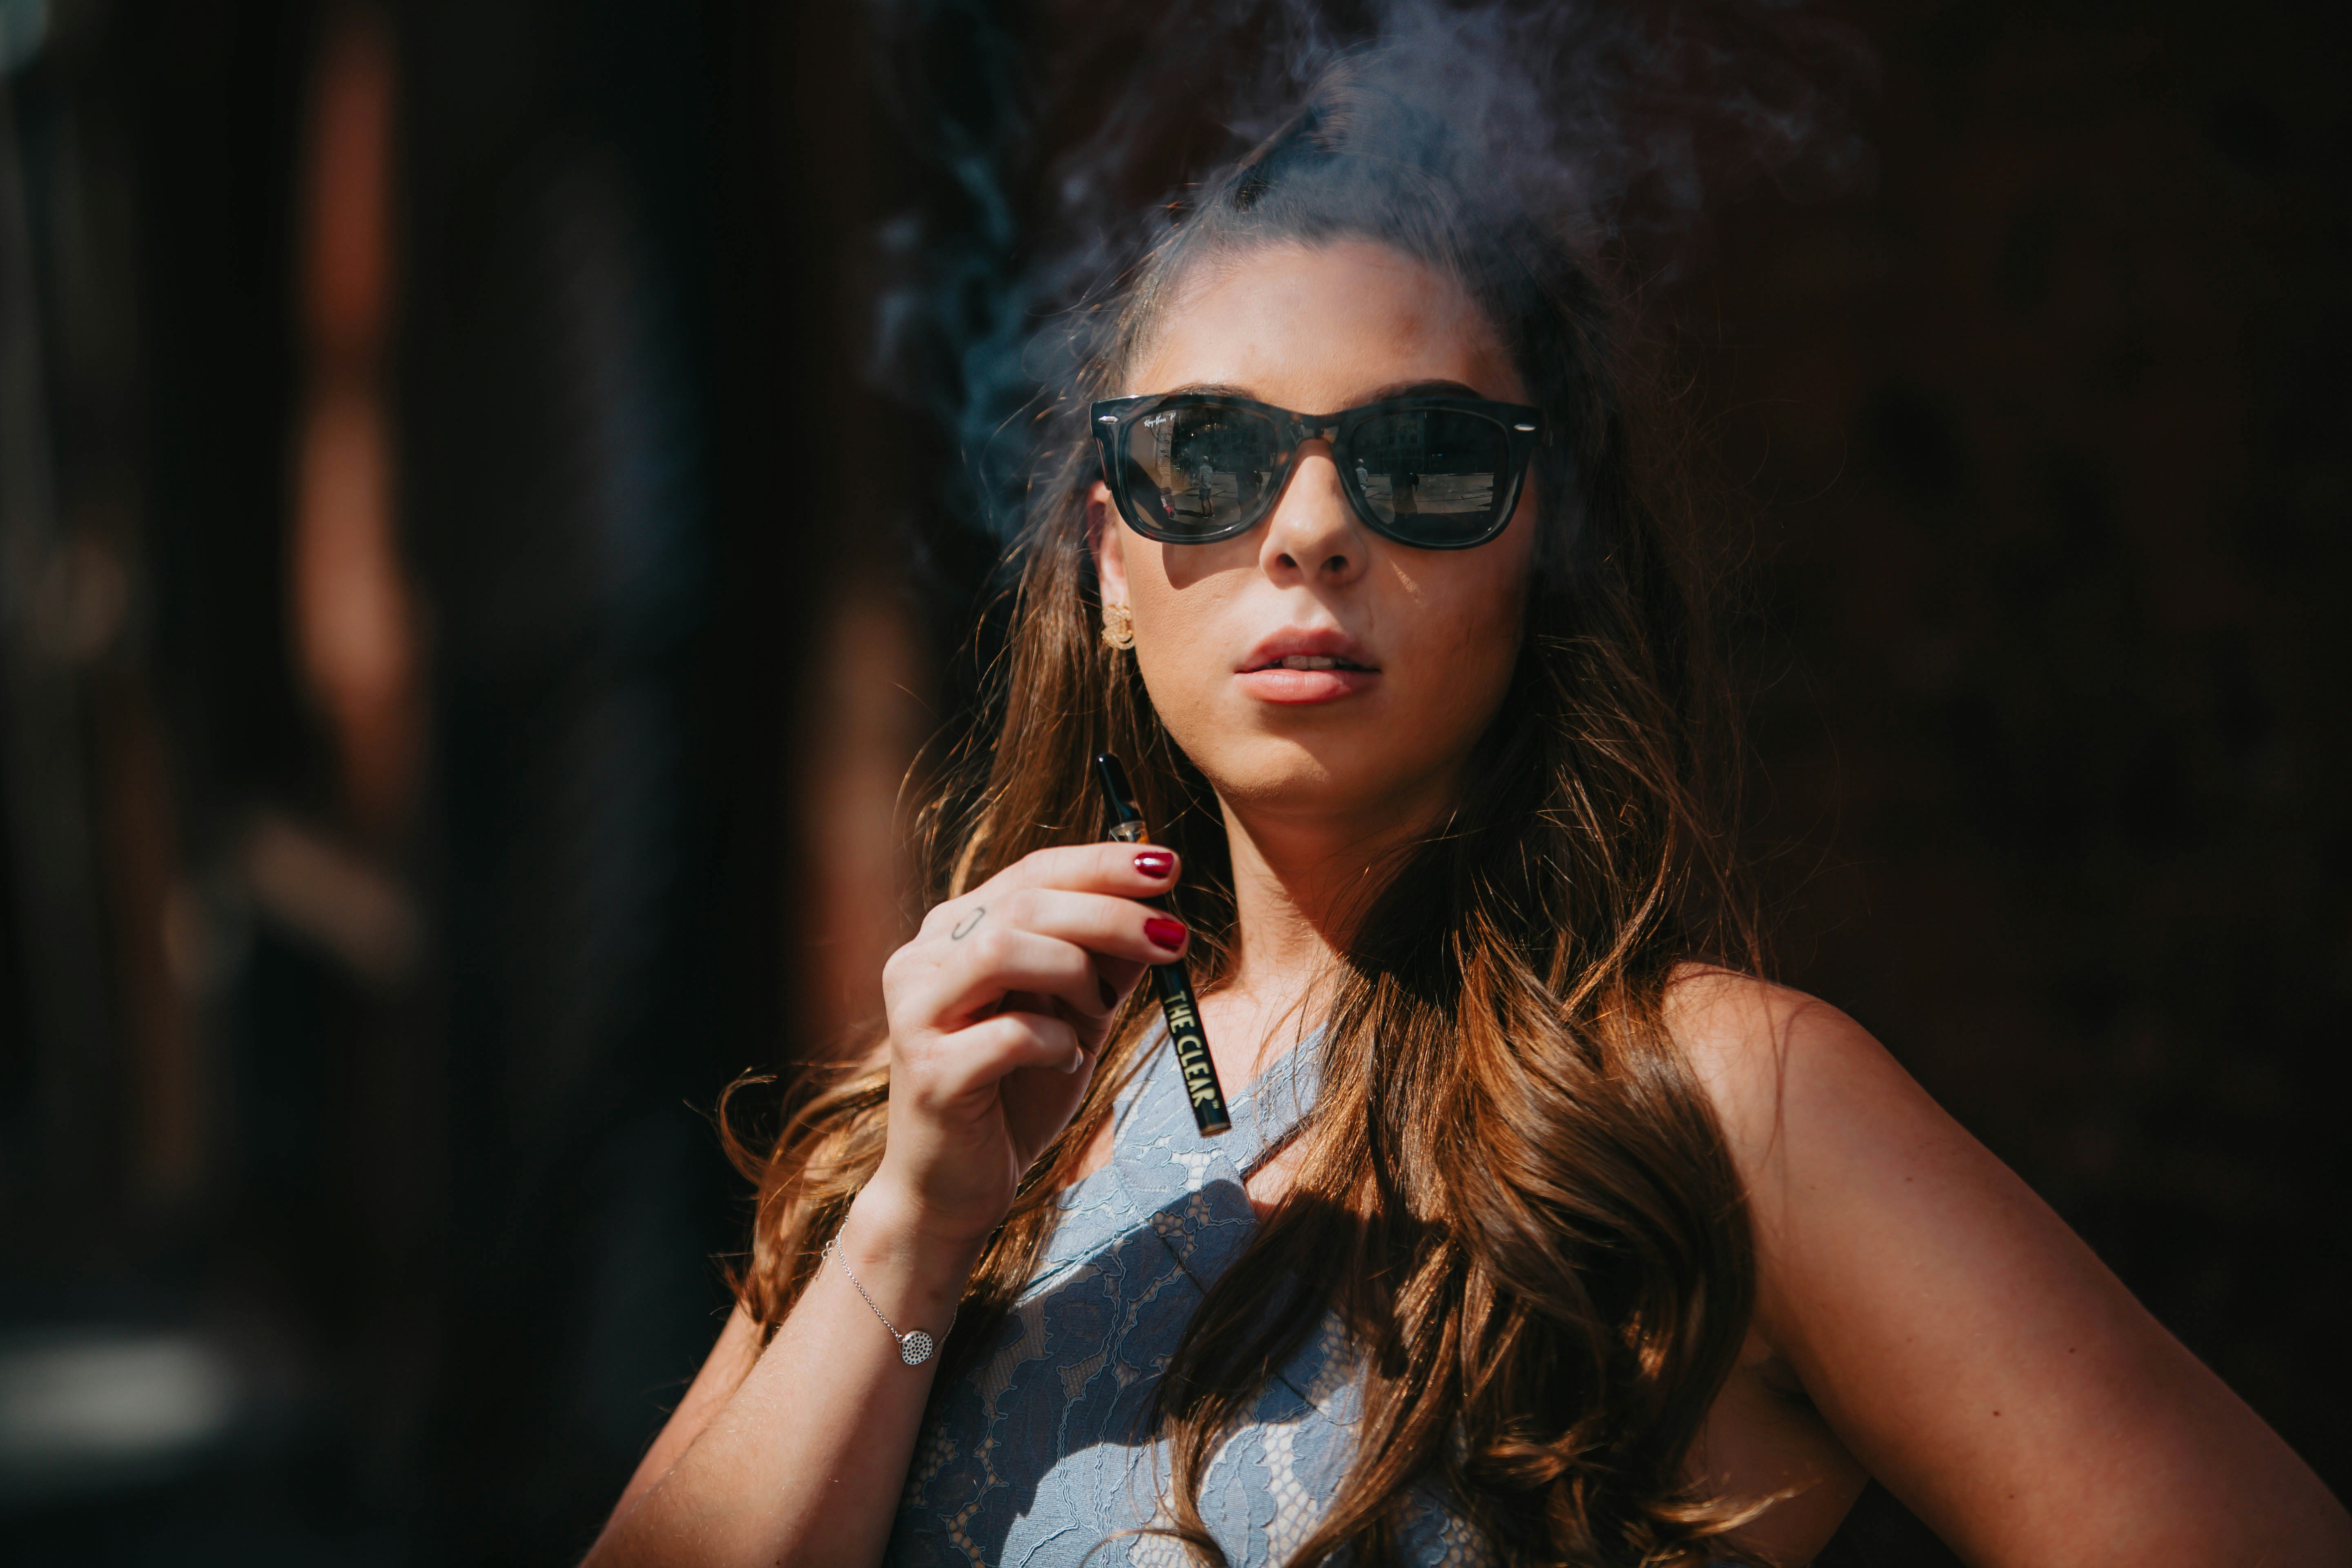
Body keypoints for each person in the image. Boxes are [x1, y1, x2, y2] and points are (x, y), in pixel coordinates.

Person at [585, 60, 2352, 1568]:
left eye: (1425, 457)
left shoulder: (1718, 1109)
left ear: (1542, 545)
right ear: (1110, 563)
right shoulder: (963, 1097)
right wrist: (912, 1223)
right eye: (1206, 452)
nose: (1308, 529)